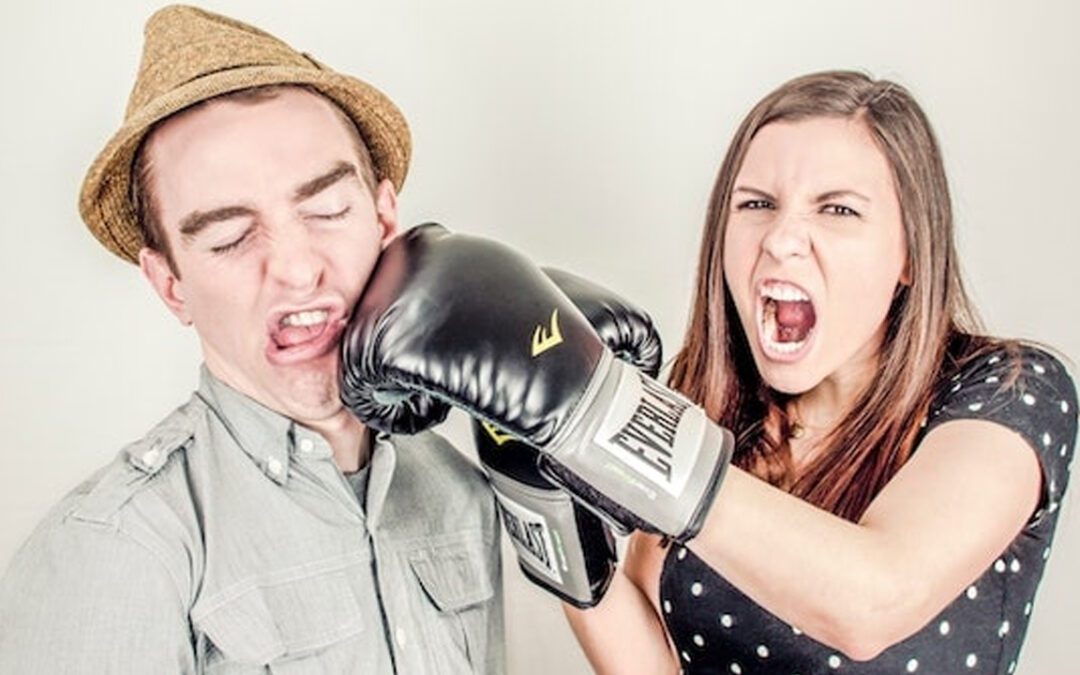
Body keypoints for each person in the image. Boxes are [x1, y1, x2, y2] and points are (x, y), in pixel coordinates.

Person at [337, 71, 1076, 675]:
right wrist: (539, 490)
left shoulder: (1007, 390)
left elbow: (872, 602)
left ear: (912, 252)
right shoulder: (702, 407)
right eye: (756, 203)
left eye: (839, 209)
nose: (783, 238)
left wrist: (603, 417)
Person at [0, 6, 502, 673]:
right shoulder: (117, 548)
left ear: (384, 219)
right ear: (170, 283)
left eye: (327, 209)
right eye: (230, 237)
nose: (295, 267)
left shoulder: (460, 490)